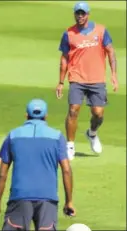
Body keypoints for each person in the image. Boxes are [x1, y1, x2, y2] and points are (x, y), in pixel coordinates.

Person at [0, 99, 75, 230]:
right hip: (48, 197)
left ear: (26, 115)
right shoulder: (57, 137)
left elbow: (2, 174)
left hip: (19, 196)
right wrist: (69, 201)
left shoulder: (13, 135)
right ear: (46, 116)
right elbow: (67, 170)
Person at [56, 1, 119, 160]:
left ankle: (92, 133)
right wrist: (61, 82)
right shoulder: (68, 33)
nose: (80, 16)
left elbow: (110, 52)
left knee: (98, 114)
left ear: (88, 14)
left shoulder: (101, 31)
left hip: (97, 79)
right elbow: (64, 58)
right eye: (77, 13)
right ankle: (70, 145)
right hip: (77, 78)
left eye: (83, 13)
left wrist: (114, 74)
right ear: (74, 14)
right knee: (73, 110)